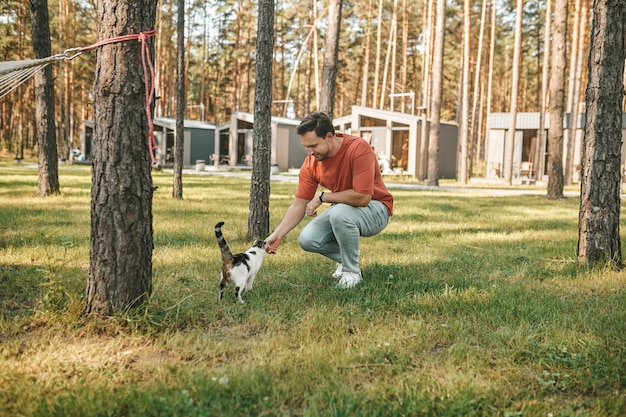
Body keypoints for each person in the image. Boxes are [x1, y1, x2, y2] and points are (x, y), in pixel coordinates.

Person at [265, 112, 394, 288]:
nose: (310, 152)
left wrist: (323, 197)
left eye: (313, 145)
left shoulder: (357, 148)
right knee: (308, 239)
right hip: (344, 209)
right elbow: (299, 204)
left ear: (329, 137)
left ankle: (351, 272)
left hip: (377, 209)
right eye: (305, 147)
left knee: (339, 212)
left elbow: (363, 197)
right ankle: (347, 259)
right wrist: (278, 234)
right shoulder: (311, 163)